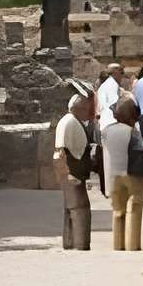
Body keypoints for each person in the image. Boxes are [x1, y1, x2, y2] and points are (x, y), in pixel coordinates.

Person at [99, 80, 143, 252]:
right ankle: (132, 244)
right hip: (133, 174)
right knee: (134, 209)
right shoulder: (133, 132)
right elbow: (140, 152)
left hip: (114, 175)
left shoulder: (106, 131)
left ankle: (117, 244)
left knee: (117, 212)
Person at [53, 87, 98, 250]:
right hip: (72, 173)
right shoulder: (69, 122)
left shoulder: (72, 121)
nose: (88, 112)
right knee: (79, 209)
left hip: (75, 172)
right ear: (77, 109)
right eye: (85, 109)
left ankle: (71, 243)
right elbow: (59, 153)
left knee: (72, 209)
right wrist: (67, 173)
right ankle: (80, 244)